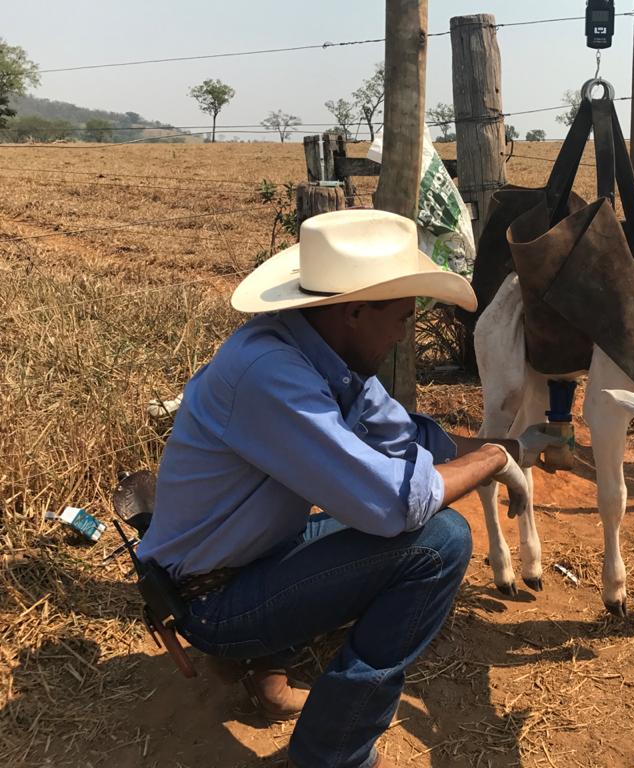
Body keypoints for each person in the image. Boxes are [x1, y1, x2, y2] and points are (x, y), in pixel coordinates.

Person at [136, 209, 560, 768]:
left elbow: (410, 436)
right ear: (356, 311)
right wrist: (496, 458)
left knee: (366, 518)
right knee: (440, 542)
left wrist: (516, 442)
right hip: (209, 599)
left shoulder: (319, 354)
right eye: (402, 317)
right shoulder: (269, 374)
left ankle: (261, 662)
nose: (404, 332)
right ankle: (329, 753)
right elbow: (394, 505)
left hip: (247, 558)